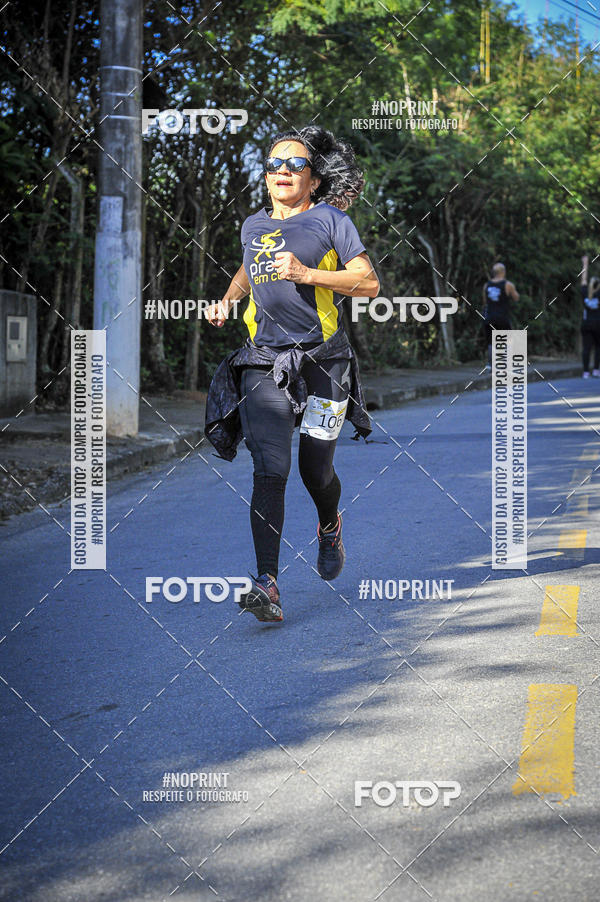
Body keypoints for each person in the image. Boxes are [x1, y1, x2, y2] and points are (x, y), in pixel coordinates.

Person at [203, 126, 379, 623]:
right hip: (264, 361)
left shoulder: (331, 221)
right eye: (275, 164)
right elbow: (248, 268)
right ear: (265, 176)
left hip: (326, 361)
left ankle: (329, 524)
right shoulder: (252, 226)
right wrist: (228, 300)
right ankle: (267, 583)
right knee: (270, 470)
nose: (283, 170)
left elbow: (368, 283)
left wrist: (307, 275)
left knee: (314, 467)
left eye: (296, 164)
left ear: (314, 180)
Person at [482, 262, 519, 369]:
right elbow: (516, 298)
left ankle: (490, 365)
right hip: (502, 318)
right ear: (503, 272)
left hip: (489, 317)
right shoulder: (508, 285)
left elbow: (485, 302)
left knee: (491, 342)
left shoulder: (486, 285)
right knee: (508, 341)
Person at [579, 255, 600, 378]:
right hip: (598, 324)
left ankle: (585, 372)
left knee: (586, 348)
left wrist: (585, 264)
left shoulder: (585, 292)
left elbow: (583, 279)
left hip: (586, 324)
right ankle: (596, 370)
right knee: (598, 347)